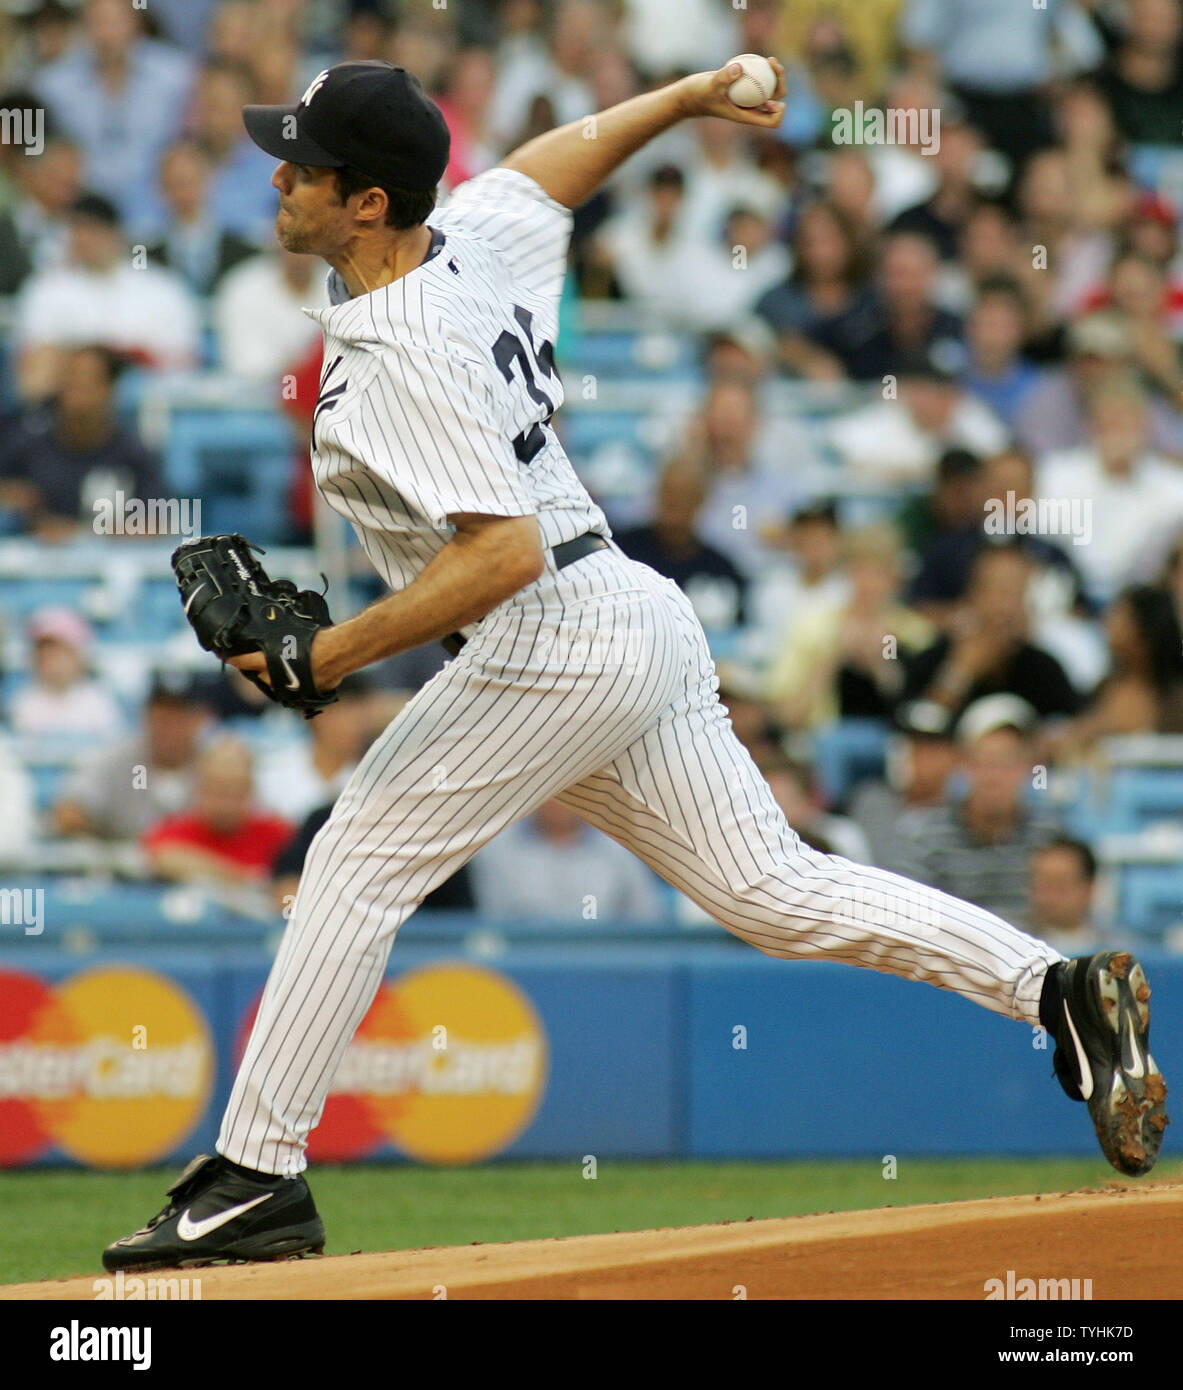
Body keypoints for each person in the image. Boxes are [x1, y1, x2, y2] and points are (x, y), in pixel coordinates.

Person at [104, 56, 1168, 1274]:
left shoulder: (399, 341)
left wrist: (327, 654)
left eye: (305, 163)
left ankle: (256, 1176)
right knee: (772, 890)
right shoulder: (460, 240)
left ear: (366, 203)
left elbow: (498, 556)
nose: (279, 175)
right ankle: (1056, 991)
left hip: (550, 628)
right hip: (627, 615)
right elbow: (549, 174)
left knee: (351, 859)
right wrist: (683, 99)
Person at [894, 695, 1064, 923]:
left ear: (1028, 767)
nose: (994, 776)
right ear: (963, 764)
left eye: (1007, 762)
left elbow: (1065, 917)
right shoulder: (922, 835)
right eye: (984, 761)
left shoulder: (1050, 834)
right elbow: (909, 918)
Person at [0, 344, 163, 540]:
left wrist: (79, 535)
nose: (75, 396)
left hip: (108, 564)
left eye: (87, 384)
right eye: (70, 382)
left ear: (109, 389)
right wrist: (17, 505)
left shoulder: (135, 454)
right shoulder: (26, 448)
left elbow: (159, 526)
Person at [52, 668, 213, 841]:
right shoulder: (119, 759)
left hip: (199, 861)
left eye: (180, 716)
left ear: (200, 719)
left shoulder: (216, 763)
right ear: (146, 715)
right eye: (162, 715)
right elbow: (69, 812)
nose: (170, 727)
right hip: (125, 861)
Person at [470, 797, 665, 923]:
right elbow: (492, 924)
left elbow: (645, 922)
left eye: (569, 789)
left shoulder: (620, 846)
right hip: (523, 967)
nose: (559, 802)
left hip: (603, 964)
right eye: (552, 790)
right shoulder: (497, 848)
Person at [143, 736, 293, 886]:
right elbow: (163, 856)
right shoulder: (175, 829)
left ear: (250, 791)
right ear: (200, 789)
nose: (225, 804)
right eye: (216, 790)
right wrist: (244, 878)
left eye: (235, 791)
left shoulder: (277, 835)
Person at [9, 607, 124, 740]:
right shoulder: (24, 703)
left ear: (78, 657)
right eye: (45, 655)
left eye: (59, 655)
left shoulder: (100, 702)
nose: (51, 663)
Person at [1026, 837, 1107, 958]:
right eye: (1043, 885)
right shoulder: (1017, 949)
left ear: (1089, 888)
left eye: (1060, 884)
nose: (1050, 896)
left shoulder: (1120, 952)